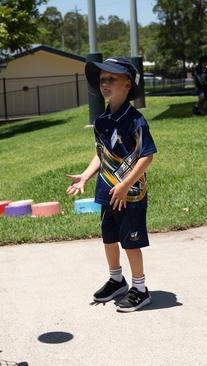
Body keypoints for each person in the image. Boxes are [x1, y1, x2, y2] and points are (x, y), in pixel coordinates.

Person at [67, 57, 157, 312]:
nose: (104, 83)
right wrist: (86, 176)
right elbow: (101, 153)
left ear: (127, 84)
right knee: (109, 238)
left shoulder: (135, 120)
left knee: (131, 241)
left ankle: (140, 288)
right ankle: (117, 280)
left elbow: (147, 155)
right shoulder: (102, 120)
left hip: (131, 194)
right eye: (102, 79)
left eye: (111, 79)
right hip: (107, 190)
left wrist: (126, 184)